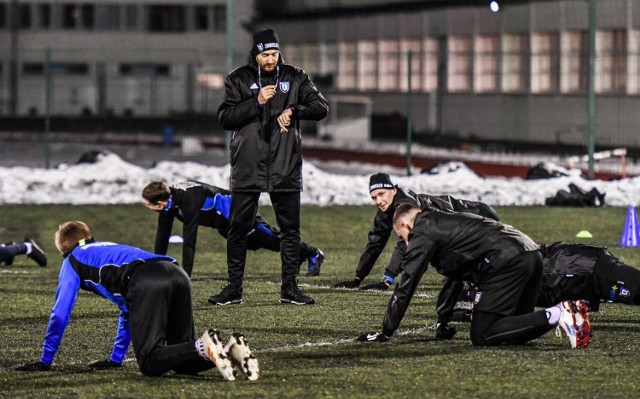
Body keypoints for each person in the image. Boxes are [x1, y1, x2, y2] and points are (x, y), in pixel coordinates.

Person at [15, 221, 259, 381]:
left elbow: (60, 313)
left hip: (146, 280)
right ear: (89, 237)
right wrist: (115, 360)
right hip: (176, 273)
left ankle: (205, 345)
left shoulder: (72, 260)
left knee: (151, 363)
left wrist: (45, 361)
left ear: (63, 250)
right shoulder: (107, 248)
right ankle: (228, 349)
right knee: (183, 361)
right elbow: (129, 309)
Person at [357, 203, 592, 349]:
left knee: (482, 334)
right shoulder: (442, 221)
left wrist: (386, 331)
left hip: (506, 261)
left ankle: (560, 312)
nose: (404, 243)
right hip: (530, 254)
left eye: (401, 237)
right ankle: (566, 316)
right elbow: (454, 275)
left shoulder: (421, 232)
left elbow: (407, 283)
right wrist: (443, 319)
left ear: (406, 226)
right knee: (511, 331)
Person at [214, 28, 329, 306]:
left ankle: (289, 290)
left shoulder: (295, 76)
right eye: (265, 54)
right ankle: (234, 290)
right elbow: (225, 118)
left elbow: (321, 107)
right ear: (255, 54)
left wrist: (295, 110)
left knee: (290, 231)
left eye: (274, 53)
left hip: (285, 165)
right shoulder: (237, 78)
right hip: (248, 165)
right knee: (238, 228)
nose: (271, 59)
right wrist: (256, 102)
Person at [332, 172, 500, 290]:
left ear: (393, 189)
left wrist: (387, 280)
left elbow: (406, 243)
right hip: (462, 228)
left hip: (478, 215)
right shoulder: (385, 212)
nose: (378, 200)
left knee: (468, 265)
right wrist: (358, 278)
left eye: (382, 194)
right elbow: (375, 243)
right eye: (374, 197)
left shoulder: (406, 205)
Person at [142, 180, 324, 281]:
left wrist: (186, 277)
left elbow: (190, 240)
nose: (147, 207)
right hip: (222, 223)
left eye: (148, 205)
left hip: (237, 210)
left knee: (270, 238)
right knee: (254, 245)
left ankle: (313, 253)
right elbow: (162, 235)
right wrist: (156, 265)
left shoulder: (186, 200)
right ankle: (301, 253)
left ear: (160, 203)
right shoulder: (168, 203)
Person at [440, 241, 640, 328]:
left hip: (583, 267)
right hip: (577, 276)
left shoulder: (497, 271)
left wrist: (457, 309)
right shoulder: (491, 279)